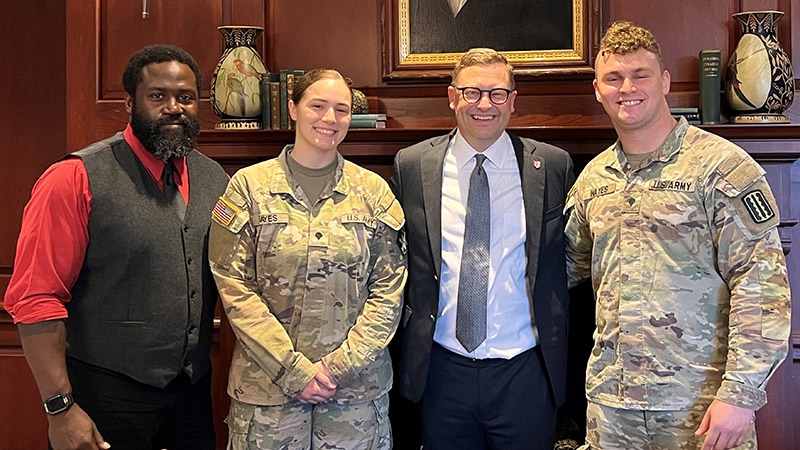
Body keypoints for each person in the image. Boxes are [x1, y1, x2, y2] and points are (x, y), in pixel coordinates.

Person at [565, 21, 791, 450]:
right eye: (614, 78)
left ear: (665, 81)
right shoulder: (592, 181)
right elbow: (565, 273)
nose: (626, 87)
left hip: (702, 408)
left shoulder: (722, 167)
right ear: (598, 89)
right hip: (613, 409)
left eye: (640, 75)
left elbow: (761, 286)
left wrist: (739, 396)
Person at [4, 44, 229, 450]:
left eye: (186, 98)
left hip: (192, 395)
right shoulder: (74, 177)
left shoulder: (216, 179)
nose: (173, 107)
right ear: (129, 103)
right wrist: (60, 409)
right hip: (102, 396)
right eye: (157, 96)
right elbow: (36, 297)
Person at [208, 68, 406, 450]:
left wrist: (338, 368)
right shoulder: (248, 188)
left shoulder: (373, 192)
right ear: (293, 109)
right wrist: (294, 370)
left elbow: (389, 292)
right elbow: (234, 287)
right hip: (267, 399)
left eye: (342, 110)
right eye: (317, 106)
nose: (330, 119)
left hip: (355, 401)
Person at [390, 48, 575, 449]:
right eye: (472, 93)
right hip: (441, 370)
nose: (484, 105)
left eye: (496, 94)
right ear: (452, 96)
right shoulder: (413, 164)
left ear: (512, 101)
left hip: (525, 371)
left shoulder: (552, 165)